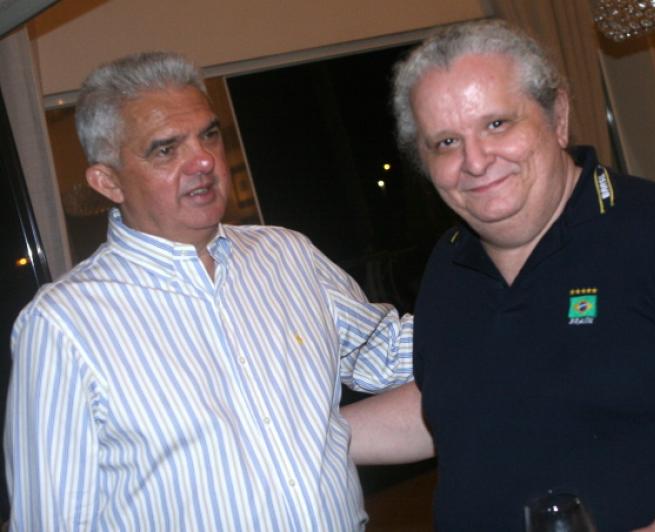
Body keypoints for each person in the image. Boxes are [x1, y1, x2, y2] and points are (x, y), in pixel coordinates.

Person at [344, 19, 655, 531]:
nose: (475, 161)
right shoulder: (448, 269)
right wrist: (304, 435)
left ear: (558, 117)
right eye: (446, 142)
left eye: (497, 124)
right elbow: (458, 400)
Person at [4, 51, 414, 531]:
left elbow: (389, 353)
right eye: (166, 149)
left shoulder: (287, 256)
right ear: (108, 181)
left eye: (209, 135)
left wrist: (490, 293)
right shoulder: (62, 324)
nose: (203, 160)